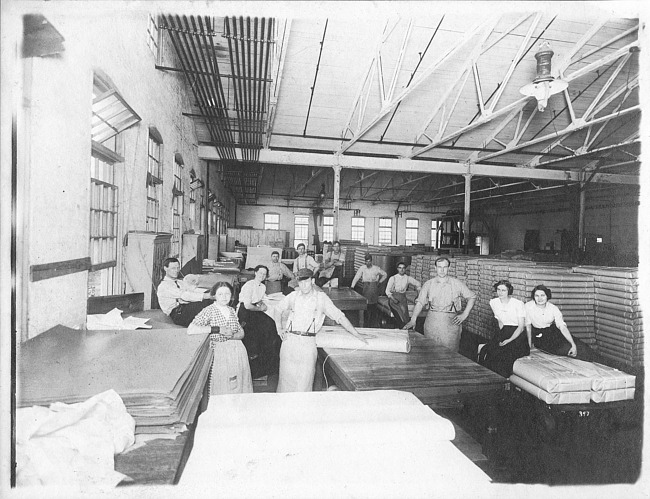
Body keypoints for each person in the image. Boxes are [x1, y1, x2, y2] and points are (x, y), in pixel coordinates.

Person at [276, 268, 367, 392]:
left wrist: (356, 333)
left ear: (312, 280)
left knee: (304, 383)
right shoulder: (293, 296)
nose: (303, 285)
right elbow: (278, 309)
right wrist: (279, 328)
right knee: (285, 383)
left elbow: (339, 316)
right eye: (300, 282)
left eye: (306, 281)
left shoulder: (321, 298)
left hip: (307, 343)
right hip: (289, 342)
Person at [188, 282, 253, 395]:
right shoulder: (209, 310)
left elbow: (241, 332)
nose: (224, 297)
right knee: (223, 386)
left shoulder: (232, 310)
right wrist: (217, 329)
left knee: (238, 385)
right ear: (214, 296)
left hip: (237, 352)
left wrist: (233, 335)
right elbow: (191, 329)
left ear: (232, 295)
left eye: (227, 294)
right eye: (220, 294)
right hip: (220, 353)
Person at [403, 257, 476, 352]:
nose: (442, 270)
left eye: (445, 267)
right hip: (432, 322)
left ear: (449, 268)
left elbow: (472, 297)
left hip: (450, 323)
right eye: (439, 267)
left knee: (450, 353)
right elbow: (420, 302)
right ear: (435, 268)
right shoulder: (429, 284)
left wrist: (464, 314)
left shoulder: (456, 283)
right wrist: (413, 319)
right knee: (430, 351)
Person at [525, 284, 598, 362]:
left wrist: (573, 344)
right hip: (540, 337)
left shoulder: (553, 308)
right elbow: (528, 327)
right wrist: (529, 346)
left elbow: (562, 327)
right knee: (567, 349)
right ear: (533, 297)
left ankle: (606, 364)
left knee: (582, 346)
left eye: (542, 295)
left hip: (553, 332)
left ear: (547, 296)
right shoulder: (528, 307)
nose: (540, 298)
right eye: (537, 296)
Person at [477, 280, 529, 377]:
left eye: (503, 290)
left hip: (517, 334)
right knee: (487, 350)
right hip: (504, 331)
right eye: (498, 290)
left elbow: (521, 327)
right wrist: (500, 336)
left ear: (509, 291)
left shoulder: (518, 304)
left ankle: (503, 378)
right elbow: (500, 321)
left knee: (505, 354)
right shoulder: (493, 302)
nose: (500, 292)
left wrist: (509, 340)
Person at [237, 265, 281, 378]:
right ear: (255, 273)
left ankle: (269, 366)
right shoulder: (249, 285)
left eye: (264, 274)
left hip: (254, 310)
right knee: (261, 331)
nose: (262, 275)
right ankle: (255, 368)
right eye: (260, 273)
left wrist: (263, 305)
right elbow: (247, 305)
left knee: (271, 325)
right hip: (245, 313)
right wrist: (260, 309)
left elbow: (259, 299)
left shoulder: (262, 287)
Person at [157, 257, 213, 326]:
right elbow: (184, 295)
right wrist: (206, 296)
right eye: (173, 268)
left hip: (185, 308)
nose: (176, 270)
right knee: (207, 302)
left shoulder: (179, 282)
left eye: (178, 268)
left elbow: (193, 290)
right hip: (177, 314)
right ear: (165, 268)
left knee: (211, 301)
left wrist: (209, 292)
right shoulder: (164, 286)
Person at [350, 254, 388, 328]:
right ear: (365, 262)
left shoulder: (376, 268)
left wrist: (380, 282)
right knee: (366, 305)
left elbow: (385, 274)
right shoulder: (362, 268)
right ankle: (366, 324)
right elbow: (357, 277)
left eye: (369, 261)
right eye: (366, 261)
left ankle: (373, 324)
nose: (368, 263)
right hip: (366, 287)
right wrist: (352, 286)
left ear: (371, 261)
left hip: (374, 287)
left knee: (373, 305)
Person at [385, 262, 421, 328]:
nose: (402, 270)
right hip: (393, 299)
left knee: (405, 316)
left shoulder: (407, 278)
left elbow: (418, 284)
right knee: (399, 316)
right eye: (400, 268)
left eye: (403, 268)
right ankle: (400, 328)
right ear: (397, 269)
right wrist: (393, 299)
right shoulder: (393, 278)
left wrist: (418, 295)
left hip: (402, 299)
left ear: (405, 269)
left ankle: (404, 330)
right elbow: (387, 291)